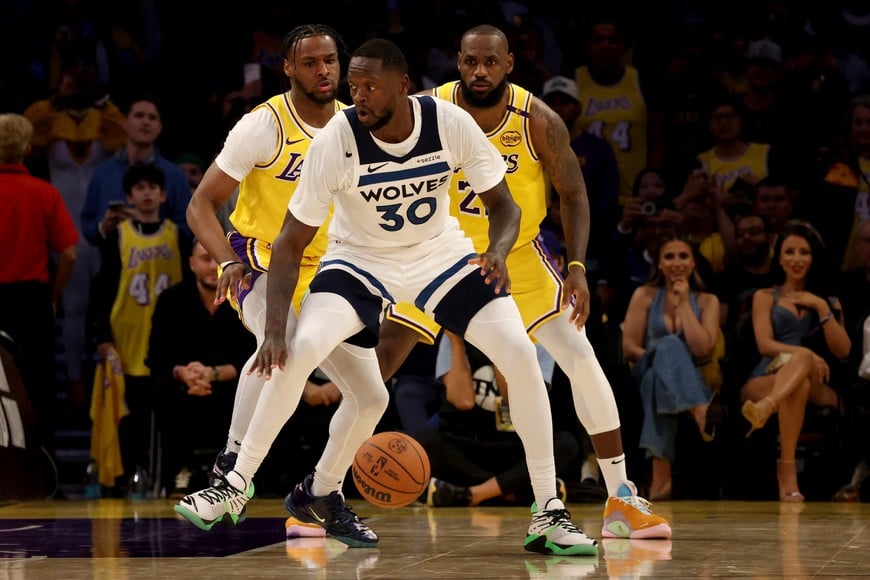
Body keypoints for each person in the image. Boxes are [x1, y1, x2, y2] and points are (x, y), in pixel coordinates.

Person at [176, 38, 596, 557]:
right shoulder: (337, 138)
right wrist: (276, 329)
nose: (358, 97)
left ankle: (548, 512)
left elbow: (504, 207)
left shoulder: (448, 122)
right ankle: (235, 483)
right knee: (300, 349)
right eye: (353, 87)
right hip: (357, 261)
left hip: (439, 257)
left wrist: (499, 251)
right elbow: (289, 244)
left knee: (520, 354)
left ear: (402, 86)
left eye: (369, 86)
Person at [387, 25, 673, 541]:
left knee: (581, 359)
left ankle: (620, 496)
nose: (479, 72)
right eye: (470, 61)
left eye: (490, 63)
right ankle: (322, 489)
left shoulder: (537, 120)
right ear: (457, 61)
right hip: (441, 257)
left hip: (518, 256)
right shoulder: (427, 109)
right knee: (379, 361)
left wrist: (579, 267)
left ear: (510, 64)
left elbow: (575, 195)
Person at [180, 24, 351, 501]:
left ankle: (322, 494)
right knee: (284, 339)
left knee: (370, 392)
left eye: (330, 60)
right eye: (311, 62)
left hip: (325, 267)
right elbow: (200, 205)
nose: (323, 70)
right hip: (257, 258)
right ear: (289, 69)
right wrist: (226, 262)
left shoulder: (354, 125)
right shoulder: (263, 124)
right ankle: (232, 465)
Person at [89, 163, 185, 490]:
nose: (146, 193)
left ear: (163, 194)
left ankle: (166, 478)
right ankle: (125, 477)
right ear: (129, 196)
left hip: (167, 341)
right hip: (125, 338)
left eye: (152, 187)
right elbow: (101, 289)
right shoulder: (118, 235)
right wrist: (102, 336)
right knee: (127, 416)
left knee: (165, 416)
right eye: (139, 188)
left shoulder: (178, 234)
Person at [740, 220, 850, 502]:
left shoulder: (829, 300)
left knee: (801, 372)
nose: (797, 259)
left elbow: (843, 351)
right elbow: (764, 344)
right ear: (779, 257)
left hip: (818, 381)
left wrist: (821, 306)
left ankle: (766, 408)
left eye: (804, 252)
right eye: (790, 251)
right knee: (795, 385)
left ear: (814, 257)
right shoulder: (764, 296)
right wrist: (805, 354)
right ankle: (787, 473)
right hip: (769, 372)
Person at [146, 240, 256, 497]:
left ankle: (237, 475)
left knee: (253, 393)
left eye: (217, 259)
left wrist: (213, 373)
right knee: (165, 393)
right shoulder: (171, 300)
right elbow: (156, 357)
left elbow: (252, 354)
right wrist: (183, 373)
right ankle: (180, 472)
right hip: (185, 386)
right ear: (192, 264)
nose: (211, 266)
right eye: (205, 259)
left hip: (230, 383)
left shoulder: (244, 299)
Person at [423, 331, 579, 508]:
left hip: (516, 447)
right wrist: (457, 343)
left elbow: (517, 402)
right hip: (470, 444)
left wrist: (498, 347)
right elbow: (463, 401)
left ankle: (469, 494)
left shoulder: (539, 335)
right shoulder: (454, 333)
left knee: (565, 444)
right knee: (423, 441)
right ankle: (515, 492)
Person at [621, 234, 721, 500]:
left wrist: (684, 303)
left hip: (688, 377)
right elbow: (629, 347)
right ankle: (701, 412)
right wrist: (662, 355)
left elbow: (702, 349)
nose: (676, 262)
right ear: (659, 264)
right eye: (669, 256)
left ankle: (660, 480)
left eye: (683, 256)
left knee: (659, 381)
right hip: (643, 371)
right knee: (665, 349)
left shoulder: (708, 301)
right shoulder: (643, 295)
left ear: (693, 262)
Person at [0, 113, 78, 454]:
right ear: (28, 149)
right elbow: (70, 254)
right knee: (36, 387)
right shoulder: (43, 193)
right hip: (29, 303)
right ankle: (40, 470)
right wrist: (53, 296)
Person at [80, 94, 192, 247]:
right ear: (124, 123)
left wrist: (150, 223)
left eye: (152, 118)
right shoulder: (102, 173)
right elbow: (88, 225)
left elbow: (188, 230)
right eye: (139, 115)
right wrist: (103, 227)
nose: (146, 122)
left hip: (161, 265)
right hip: (112, 266)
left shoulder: (175, 176)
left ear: (159, 128)